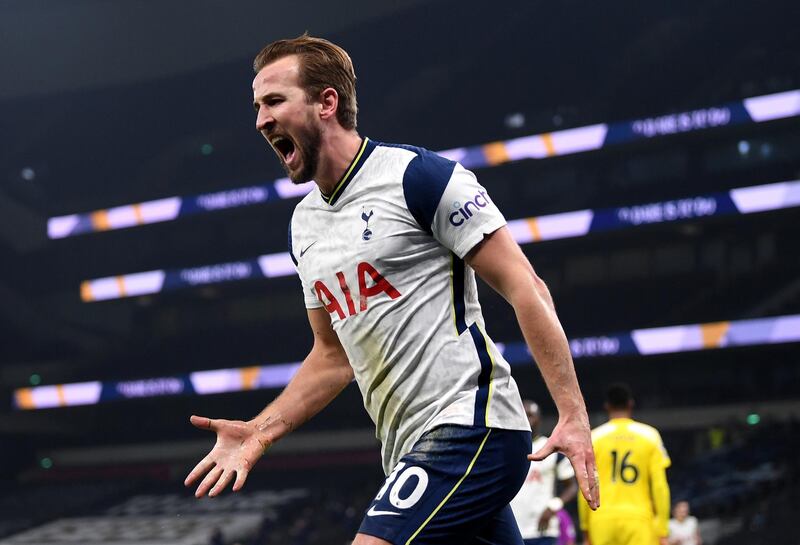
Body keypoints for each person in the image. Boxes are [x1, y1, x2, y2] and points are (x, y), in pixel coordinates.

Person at [184, 34, 599, 545]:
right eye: (257, 106)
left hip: (472, 426)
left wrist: (573, 415)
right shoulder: (303, 227)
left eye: (274, 101)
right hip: (406, 448)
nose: (260, 120)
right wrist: (259, 431)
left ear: (326, 102)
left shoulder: (419, 177)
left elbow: (525, 286)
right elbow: (332, 354)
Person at [578, 384, 670, 545]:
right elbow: (660, 486)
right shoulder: (650, 436)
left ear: (607, 406)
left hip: (601, 519)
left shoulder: (594, 438)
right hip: (639, 519)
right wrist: (662, 529)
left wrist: (585, 528)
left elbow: (585, 484)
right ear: (630, 404)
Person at [510, 401, 579, 545]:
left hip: (542, 529)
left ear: (539, 419)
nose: (526, 419)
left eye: (530, 415)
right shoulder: (507, 449)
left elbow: (572, 486)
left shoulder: (551, 449)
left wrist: (554, 506)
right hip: (512, 528)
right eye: (523, 415)